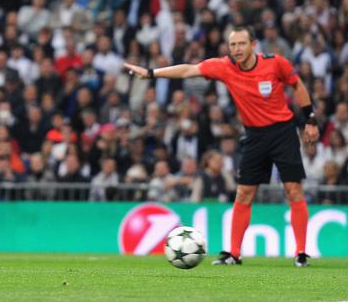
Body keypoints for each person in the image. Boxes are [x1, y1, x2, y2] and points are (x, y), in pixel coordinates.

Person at [125, 26, 319, 267]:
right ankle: (234, 254)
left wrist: (310, 119)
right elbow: (189, 70)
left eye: (241, 44)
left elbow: (297, 84)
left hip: (282, 132)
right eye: (233, 45)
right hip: (254, 135)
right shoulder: (224, 67)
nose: (236, 49)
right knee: (244, 193)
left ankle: (301, 253)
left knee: (293, 190)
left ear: (253, 45)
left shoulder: (275, 63)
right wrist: (152, 73)